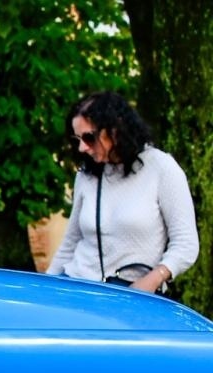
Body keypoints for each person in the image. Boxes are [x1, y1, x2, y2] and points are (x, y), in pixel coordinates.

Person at [47, 90, 197, 293]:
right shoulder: (87, 174)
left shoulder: (161, 168)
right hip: (77, 287)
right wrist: (45, 288)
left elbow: (186, 244)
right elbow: (71, 242)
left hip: (129, 295)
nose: (82, 147)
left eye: (89, 137)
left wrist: (153, 280)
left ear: (115, 130)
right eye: (77, 139)